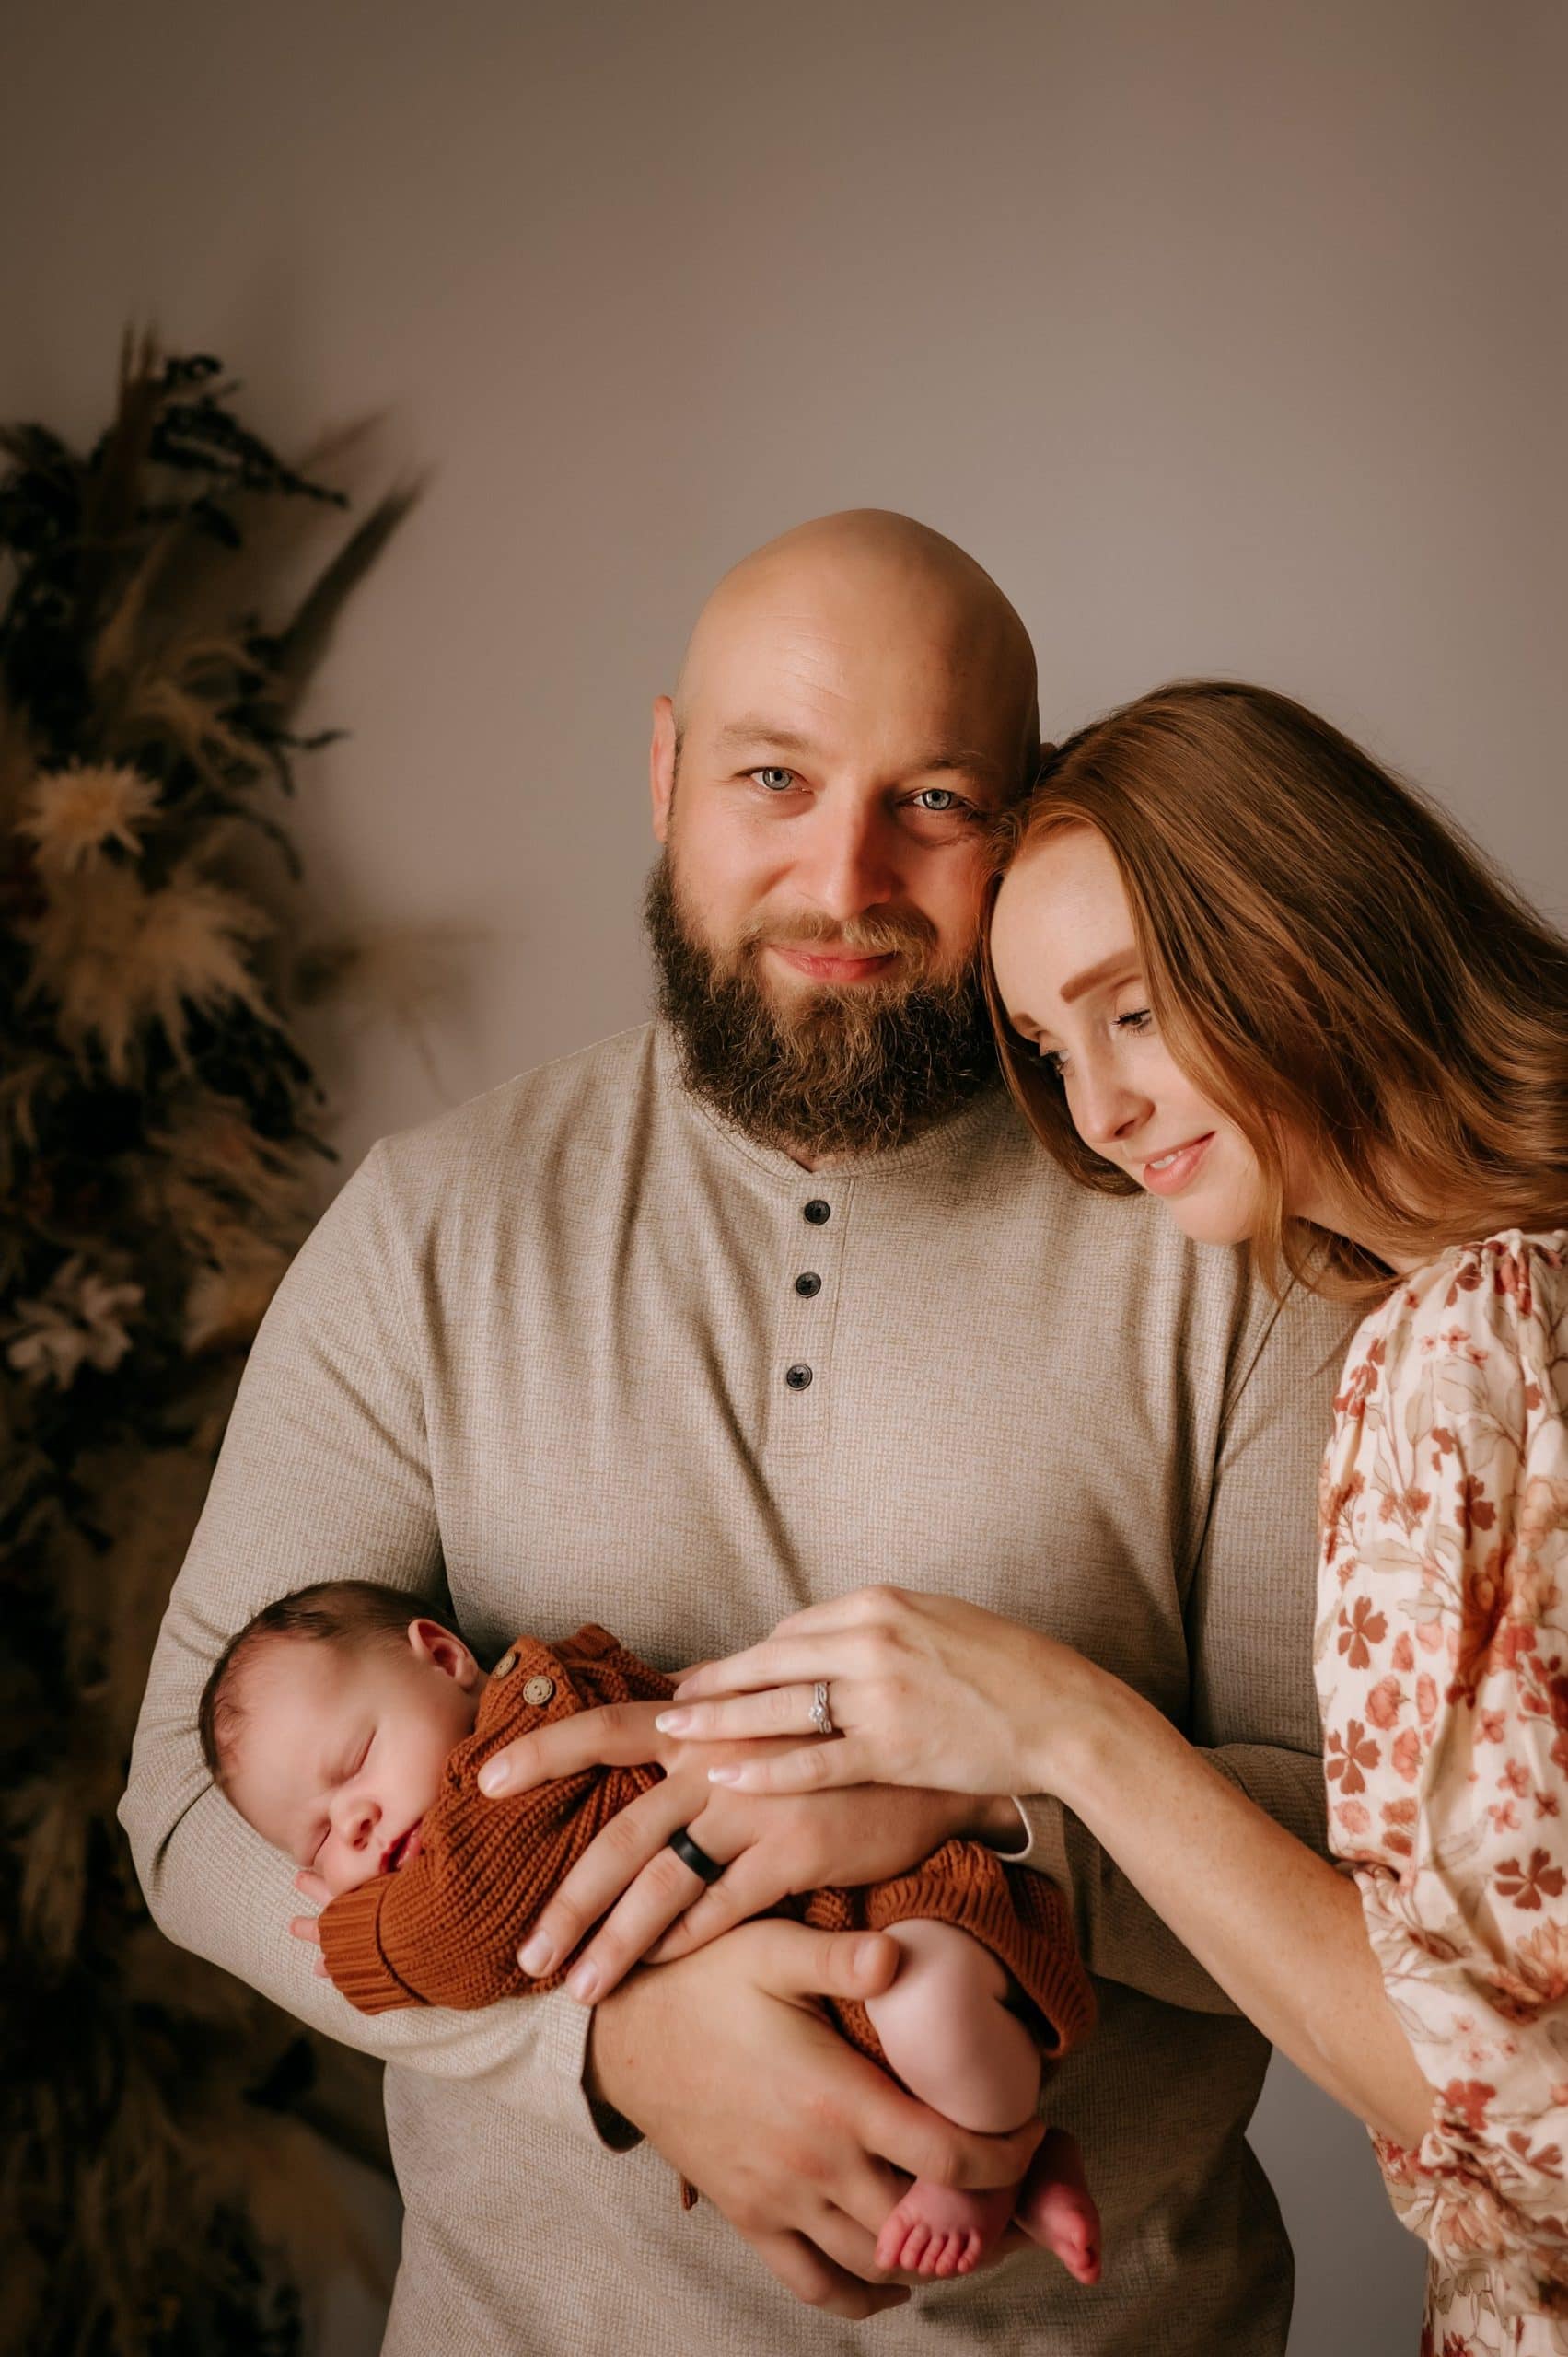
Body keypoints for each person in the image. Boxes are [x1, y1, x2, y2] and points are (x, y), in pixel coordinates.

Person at [122, 523, 1350, 2356]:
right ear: (665, 773)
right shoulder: (429, 1226)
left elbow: (1368, 1862)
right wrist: (608, 2045)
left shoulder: (1216, 1224)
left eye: (927, 797)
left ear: (1019, 818)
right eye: (771, 774)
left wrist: (1013, 1801)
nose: (839, 873)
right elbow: (181, 1797)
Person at [665, 681, 1568, 2354]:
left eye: (1134, 1011)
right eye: (1049, 1050)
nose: (1100, 1111)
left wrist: (1058, 1727)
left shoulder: (1467, 1347)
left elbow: (1508, 2095)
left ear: (1311, 928)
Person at [197, 1579, 1102, 2282]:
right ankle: (1024, 2165)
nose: (353, 1820)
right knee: (877, 2091)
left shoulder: (519, 1747)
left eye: (352, 1762)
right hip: (813, 2017)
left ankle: (982, 2168)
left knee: (924, 1994)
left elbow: (468, 1941)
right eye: (317, 1839)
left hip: (878, 1898)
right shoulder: (444, 1829)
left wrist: (359, 1933)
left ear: (440, 1658)